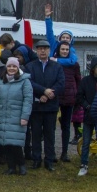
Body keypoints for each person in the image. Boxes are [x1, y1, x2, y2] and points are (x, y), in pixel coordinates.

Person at [24, 39, 65, 171]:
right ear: (36, 51)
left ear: (49, 51)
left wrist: (49, 93)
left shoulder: (57, 66)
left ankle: (49, 160)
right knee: (35, 134)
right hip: (36, 107)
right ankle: (36, 159)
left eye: (45, 48)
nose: (42, 51)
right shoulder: (30, 66)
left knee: (50, 135)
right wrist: (42, 92)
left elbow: (61, 83)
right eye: (40, 48)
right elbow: (29, 82)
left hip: (51, 106)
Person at [0, 57, 33, 176]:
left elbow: (28, 100)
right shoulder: (1, 81)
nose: (11, 68)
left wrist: (25, 116)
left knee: (15, 144)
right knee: (6, 144)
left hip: (17, 117)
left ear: (18, 68)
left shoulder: (25, 81)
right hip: (2, 116)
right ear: (6, 67)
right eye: (9, 66)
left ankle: (22, 165)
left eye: (14, 66)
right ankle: (11, 167)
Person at [75, 56, 97, 177]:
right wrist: (87, 106)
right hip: (88, 115)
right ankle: (84, 165)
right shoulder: (85, 81)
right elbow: (79, 96)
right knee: (86, 141)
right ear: (93, 69)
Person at [55, 41, 81, 163]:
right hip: (55, 97)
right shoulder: (54, 62)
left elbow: (78, 80)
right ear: (59, 50)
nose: (64, 51)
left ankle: (64, 153)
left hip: (69, 98)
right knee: (50, 126)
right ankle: (51, 153)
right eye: (62, 49)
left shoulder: (74, 65)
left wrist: (78, 96)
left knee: (66, 126)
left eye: (67, 49)